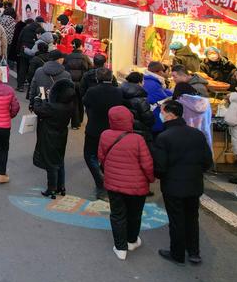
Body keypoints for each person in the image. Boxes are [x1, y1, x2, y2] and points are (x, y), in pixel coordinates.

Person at [152, 100, 213, 265]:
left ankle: (177, 253)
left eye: (162, 111)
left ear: (169, 114)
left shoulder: (164, 137)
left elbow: (160, 167)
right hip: (194, 184)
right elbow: (207, 161)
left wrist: (161, 176)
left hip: (173, 185)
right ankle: (194, 252)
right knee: (192, 218)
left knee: (176, 219)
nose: (161, 114)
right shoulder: (197, 134)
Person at [98, 106, 155, 260]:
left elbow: (101, 157)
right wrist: (151, 179)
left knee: (117, 215)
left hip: (114, 184)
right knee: (134, 214)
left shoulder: (105, 135)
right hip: (137, 186)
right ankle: (132, 240)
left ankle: (120, 247)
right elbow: (147, 164)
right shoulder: (137, 139)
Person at [82, 68, 124, 201]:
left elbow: (85, 102)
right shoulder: (118, 92)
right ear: (111, 78)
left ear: (97, 78)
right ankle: (106, 178)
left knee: (90, 155)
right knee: (107, 156)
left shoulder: (92, 91)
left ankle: (101, 183)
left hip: (94, 128)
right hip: (112, 129)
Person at [32, 78, 75, 198]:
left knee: (51, 163)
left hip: (49, 136)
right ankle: (61, 186)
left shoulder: (52, 107)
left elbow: (38, 110)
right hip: (62, 135)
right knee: (60, 160)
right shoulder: (69, 105)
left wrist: (37, 99)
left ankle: (51, 188)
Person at [172, 82, 213, 148]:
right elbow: (209, 119)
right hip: (203, 134)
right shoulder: (205, 102)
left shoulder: (178, 103)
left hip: (185, 137)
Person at [63, 39, 91, 129]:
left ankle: (74, 121)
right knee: (80, 102)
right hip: (81, 83)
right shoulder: (85, 57)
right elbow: (90, 68)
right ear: (80, 46)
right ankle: (79, 120)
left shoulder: (68, 57)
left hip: (70, 83)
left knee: (73, 102)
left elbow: (64, 69)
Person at [121, 72, 156, 141]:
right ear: (139, 82)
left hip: (123, 130)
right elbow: (149, 119)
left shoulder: (119, 92)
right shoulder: (140, 99)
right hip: (139, 131)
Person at [144, 61, 174, 134]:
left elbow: (162, 91)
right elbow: (162, 97)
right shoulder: (153, 83)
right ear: (159, 72)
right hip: (154, 116)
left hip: (148, 114)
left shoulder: (148, 80)